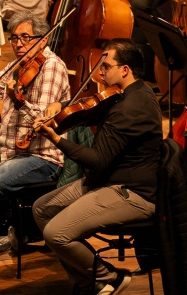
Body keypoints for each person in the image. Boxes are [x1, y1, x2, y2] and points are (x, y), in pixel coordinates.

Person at [33, 39, 162, 294]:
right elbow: (88, 113)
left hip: (131, 192)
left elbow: (97, 160)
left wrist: (57, 138)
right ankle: (88, 280)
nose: (100, 72)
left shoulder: (131, 108)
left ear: (125, 70)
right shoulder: (131, 93)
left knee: (55, 233)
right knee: (41, 209)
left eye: (106, 66)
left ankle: (110, 277)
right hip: (108, 180)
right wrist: (62, 109)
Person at [0, 12, 69, 219]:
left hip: (40, 157)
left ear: (43, 40)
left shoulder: (52, 67)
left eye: (25, 37)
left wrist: (19, 101)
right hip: (6, 150)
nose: (18, 44)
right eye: (14, 38)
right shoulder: (17, 66)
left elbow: (42, 121)